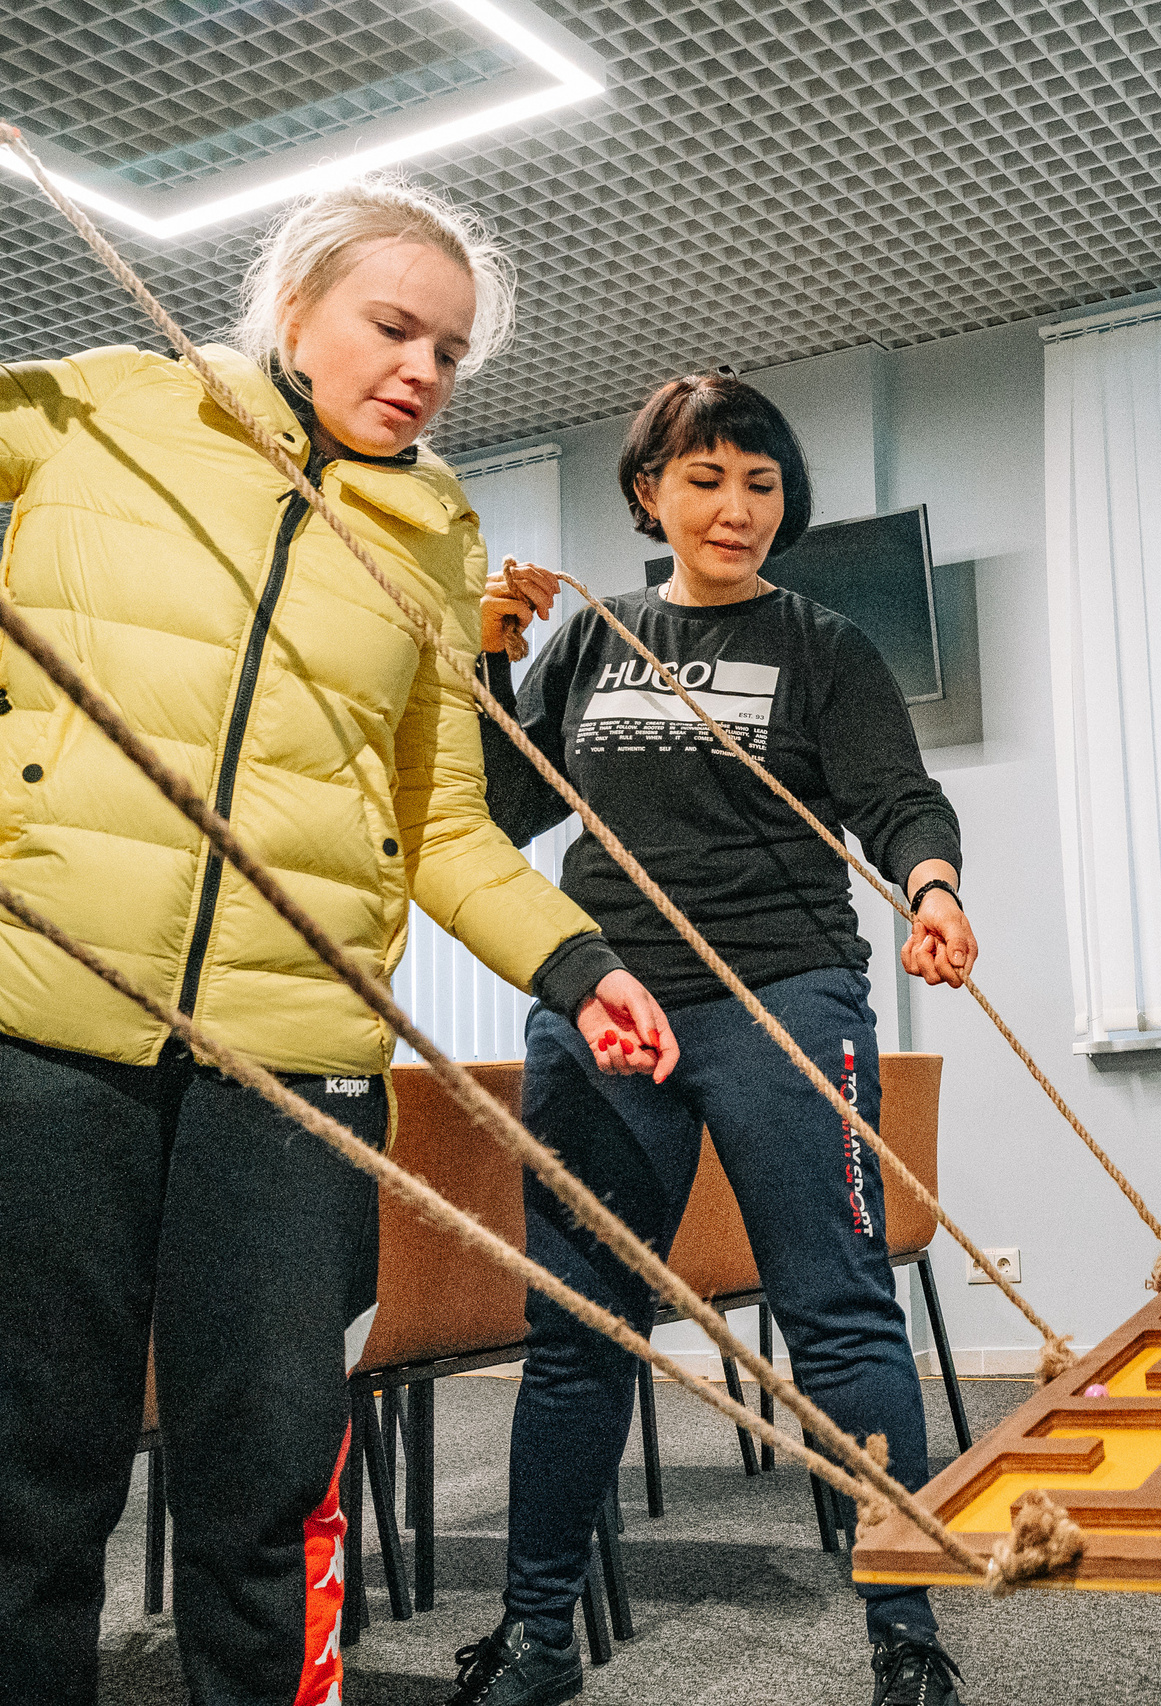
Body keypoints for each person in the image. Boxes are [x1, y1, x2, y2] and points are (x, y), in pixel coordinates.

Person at [0, 177, 676, 1706]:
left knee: (262, 1479)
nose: (424, 370)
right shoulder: (103, 412)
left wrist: (580, 963)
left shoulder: (430, 535)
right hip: (48, 1026)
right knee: (34, 1476)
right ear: (292, 307)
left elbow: (443, 827)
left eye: (450, 350)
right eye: (394, 326)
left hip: (295, 1059)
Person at [450, 372, 975, 1706]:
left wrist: (934, 892)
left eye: (760, 479)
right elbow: (504, 809)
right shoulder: (593, 642)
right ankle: (534, 1641)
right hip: (604, 1005)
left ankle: (906, 1635)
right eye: (704, 476)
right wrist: (488, 658)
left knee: (840, 1319)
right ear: (649, 492)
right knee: (580, 1329)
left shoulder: (824, 645)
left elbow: (899, 800)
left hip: (784, 993)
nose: (735, 505)